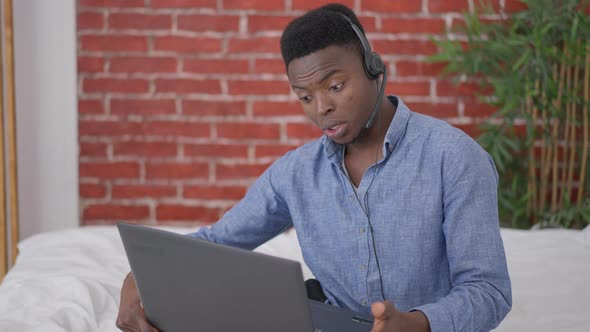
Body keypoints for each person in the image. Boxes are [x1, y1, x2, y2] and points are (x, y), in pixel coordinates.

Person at [116, 3, 512, 332]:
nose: (321, 107)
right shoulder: (295, 174)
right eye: (305, 95)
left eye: (335, 86)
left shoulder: (455, 157)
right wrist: (141, 277)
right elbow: (219, 243)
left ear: (373, 67)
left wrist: (417, 323)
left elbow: (488, 290)